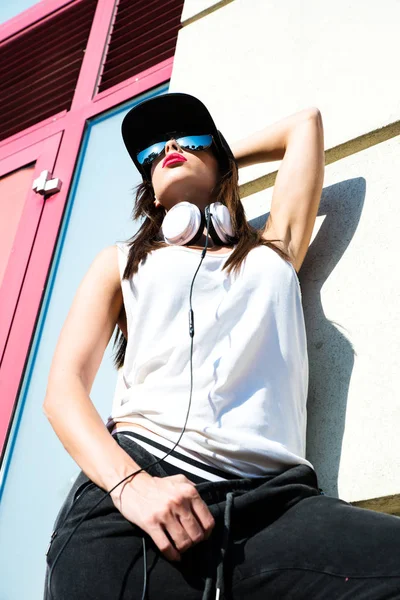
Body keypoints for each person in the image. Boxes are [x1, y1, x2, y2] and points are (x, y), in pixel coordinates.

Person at [43, 93, 400, 600]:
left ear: (220, 157)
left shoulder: (274, 250)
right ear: (149, 192)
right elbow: (63, 392)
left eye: (188, 140)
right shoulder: (120, 261)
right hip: (134, 501)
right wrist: (132, 487)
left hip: (274, 505)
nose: (168, 148)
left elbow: (304, 124)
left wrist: (227, 152)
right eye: (153, 153)